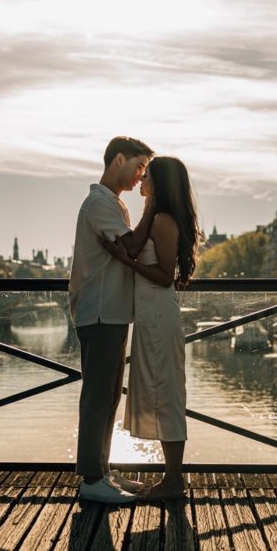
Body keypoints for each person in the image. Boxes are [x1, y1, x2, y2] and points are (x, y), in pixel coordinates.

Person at [101, 156, 200, 501]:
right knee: (161, 391)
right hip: (150, 316)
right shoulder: (154, 216)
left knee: (168, 393)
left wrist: (124, 261)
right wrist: (146, 209)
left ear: (160, 183)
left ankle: (174, 482)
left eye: (148, 175)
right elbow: (132, 242)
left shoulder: (163, 221)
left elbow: (163, 276)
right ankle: (172, 480)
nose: (141, 177)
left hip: (158, 315)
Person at [69, 136, 155, 504]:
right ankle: (91, 478)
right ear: (118, 159)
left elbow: (126, 250)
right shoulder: (99, 203)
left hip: (111, 311)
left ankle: (101, 470)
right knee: (98, 395)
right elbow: (131, 248)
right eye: (138, 166)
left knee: (107, 395)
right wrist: (154, 206)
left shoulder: (110, 203)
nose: (140, 176)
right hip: (101, 311)